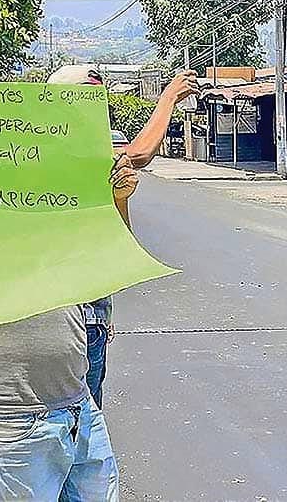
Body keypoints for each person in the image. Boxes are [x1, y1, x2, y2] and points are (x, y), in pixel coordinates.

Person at [0, 156, 138, 501]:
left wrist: (118, 200)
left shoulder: (60, 203)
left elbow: (109, 262)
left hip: (76, 403)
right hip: (10, 417)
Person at [46, 65, 199, 408]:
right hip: (46, 318)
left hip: (88, 318)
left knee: (83, 421)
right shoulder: (40, 159)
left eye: (96, 102)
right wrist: (169, 98)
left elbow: (119, 237)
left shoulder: (98, 156)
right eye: (82, 100)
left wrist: (120, 199)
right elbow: (142, 152)